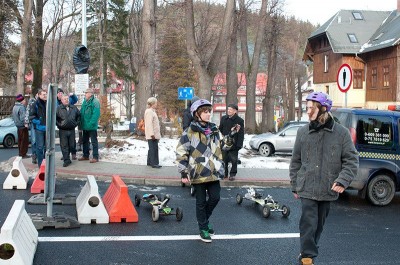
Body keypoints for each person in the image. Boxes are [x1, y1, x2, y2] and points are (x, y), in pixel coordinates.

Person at [289, 92, 359, 265]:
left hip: (328, 188)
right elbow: (295, 161)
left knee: (318, 225)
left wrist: (343, 180)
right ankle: (307, 257)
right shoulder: (303, 132)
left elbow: (351, 160)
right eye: (307, 108)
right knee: (308, 223)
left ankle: (308, 251)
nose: (308, 112)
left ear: (323, 109)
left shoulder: (341, 133)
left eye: (311, 108)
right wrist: (295, 185)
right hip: (307, 187)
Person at [176, 99, 224, 243]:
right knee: (201, 202)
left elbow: (223, 145)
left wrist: (231, 138)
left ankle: (204, 220)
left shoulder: (214, 129)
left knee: (215, 197)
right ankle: (203, 228)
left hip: (213, 171)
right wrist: (183, 171)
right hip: (198, 171)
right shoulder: (189, 132)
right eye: (205, 111)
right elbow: (181, 151)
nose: (208, 114)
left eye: (209, 111)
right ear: (197, 114)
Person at [219, 103, 244, 180]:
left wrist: (239, 144)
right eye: (228, 109)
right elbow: (220, 130)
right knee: (224, 159)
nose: (228, 111)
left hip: (234, 144)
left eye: (231, 109)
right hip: (224, 143)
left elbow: (241, 133)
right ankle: (224, 173)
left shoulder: (239, 120)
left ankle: (232, 174)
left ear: (235, 111)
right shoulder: (223, 118)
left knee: (234, 160)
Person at [56, 94, 80, 167]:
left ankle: (71, 154)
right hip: (63, 130)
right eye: (64, 99)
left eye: (67, 98)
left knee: (72, 145)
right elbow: (55, 118)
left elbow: (79, 116)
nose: (66, 100)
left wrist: (76, 123)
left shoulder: (74, 107)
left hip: (71, 129)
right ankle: (66, 160)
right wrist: (59, 125)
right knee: (64, 146)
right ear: (62, 100)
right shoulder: (58, 108)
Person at [78, 88, 100, 163]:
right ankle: (85, 155)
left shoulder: (95, 102)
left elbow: (96, 114)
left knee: (94, 142)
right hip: (85, 125)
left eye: (86, 93)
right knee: (85, 141)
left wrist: (91, 123)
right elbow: (82, 112)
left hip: (91, 126)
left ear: (90, 94)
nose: (85, 94)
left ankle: (95, 157)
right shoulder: (85, 101)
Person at [29, 89, 47, 167]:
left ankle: (46, 163)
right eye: (43, 94)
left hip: (48, 129)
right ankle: (40, 165)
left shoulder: (48, 103)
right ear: (39, 95)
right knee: (40, 147)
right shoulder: (35, 104)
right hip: (39, 129)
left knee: (47, 148)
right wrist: (39, 122)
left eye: (45, 94)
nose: (45, 95)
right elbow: (31, 116)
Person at [144, 97, 161, 168]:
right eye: (156, 103)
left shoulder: (152, 111)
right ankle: (154, 163)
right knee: (153, 148)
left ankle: (150, 162)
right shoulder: (149, 112)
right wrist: (152, 134)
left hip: (154, 134)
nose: (156, 104)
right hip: (152, 135)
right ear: (153, 104)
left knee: (153, 148)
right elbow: (149, 124)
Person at [12, 94, 30, 158]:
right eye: (24, 99)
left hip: (18, 126)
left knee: (20, 140)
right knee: (24, 141)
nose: (25, 101)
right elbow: (23, 118)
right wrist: (26, 124)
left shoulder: (15, 107)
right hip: (23, 126)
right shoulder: (21, 107)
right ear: (22, 100)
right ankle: (23, 154)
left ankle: (20, 153)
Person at [25, 94, 37, 163]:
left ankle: (39, 156)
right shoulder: (32, 102)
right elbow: (27, 111)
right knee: (34, 140)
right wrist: (26, 121)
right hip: (33, 123)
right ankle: (34, 155)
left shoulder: (45, 102)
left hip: (41, 123)